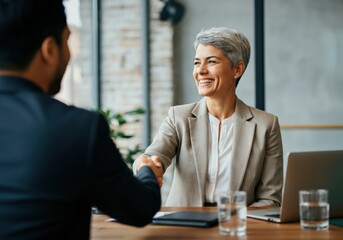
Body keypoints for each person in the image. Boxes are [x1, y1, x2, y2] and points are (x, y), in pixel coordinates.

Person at [0, 0, 162, 239]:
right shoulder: (76, 129)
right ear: (49, 50)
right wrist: (147, 171)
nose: (70, 54)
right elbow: (139, 209)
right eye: (67, 40)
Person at [134, 27, 283, 207]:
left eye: (211, 61)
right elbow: (153, 156)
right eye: (197, 63)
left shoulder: (266, 125)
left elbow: (271, 199)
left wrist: (236, 220)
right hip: (184, 223)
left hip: (235, 225)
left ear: (237, 69)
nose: (201, 70)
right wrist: (146, 164)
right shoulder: (178, 117)